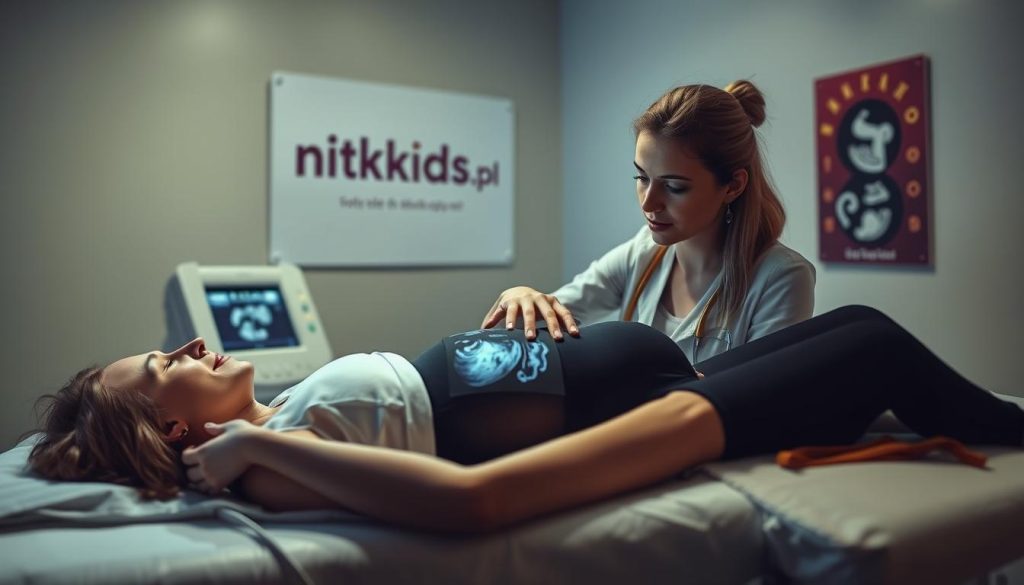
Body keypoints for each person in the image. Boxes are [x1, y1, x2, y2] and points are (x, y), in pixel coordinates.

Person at [27, 305, 1024, 534]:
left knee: (850, 325)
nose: (194, 349)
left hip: (667, 371)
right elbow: (470, 502)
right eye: (169, 366)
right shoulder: (263, 462)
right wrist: (246, 445)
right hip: (651, 417)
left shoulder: (286, 415)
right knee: (876, 346)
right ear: (171, 434)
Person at [482, 81, 815, 363]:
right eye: (642, 178)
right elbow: (539, 325)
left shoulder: (781, 278)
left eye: (674, 187)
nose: (648, 202)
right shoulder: (642, 252)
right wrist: (520, 298)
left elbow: (763, 405)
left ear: (733, 186)